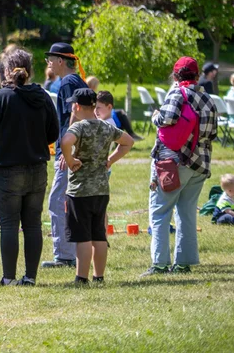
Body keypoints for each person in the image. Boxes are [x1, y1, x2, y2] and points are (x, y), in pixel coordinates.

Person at [0, 47, 59, 286]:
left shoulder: (1, 97)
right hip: (37, 168)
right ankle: (31, 277)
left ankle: (9, 277)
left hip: (8, 168)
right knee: (33, 224)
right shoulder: (43, 96)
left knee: (9, 225)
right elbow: (53, 132)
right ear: (31, 71)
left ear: (6, 71)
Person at [143, 56, 218, 276]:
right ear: (197, 76)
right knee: (186, 214)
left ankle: (159, 263)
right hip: (199, 164)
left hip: (173, 163)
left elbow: (167, 119)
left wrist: (155, 115)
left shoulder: (177, 93)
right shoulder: (208, 98)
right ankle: (183, 263)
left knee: (160, 212)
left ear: (176, 75)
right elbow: (213, 133)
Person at [60, 88, 134, 286]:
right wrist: (110, 160)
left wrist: (69, 159)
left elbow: (65, 141)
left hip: (80, 190)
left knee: (82, 236)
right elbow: (128, 142)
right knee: (99, 234)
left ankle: (81, 278)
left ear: (76, 106)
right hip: (101, 189)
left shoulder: (79, 127)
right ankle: (99, 276)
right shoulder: (105, 126)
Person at [42, 42, 86, 270]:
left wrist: (67, 150)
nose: (48, 63)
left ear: (60, 61)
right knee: (69, 201)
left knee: (58, 201)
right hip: (78, 149)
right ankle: (73, 252)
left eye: (50, 58)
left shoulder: (68, 82)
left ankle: (65, 256)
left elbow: (75, 115)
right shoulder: (75, 81)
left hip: (70, 151)